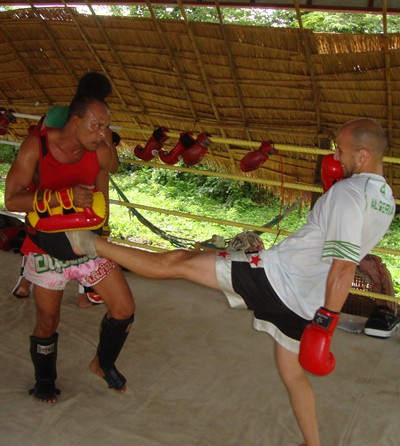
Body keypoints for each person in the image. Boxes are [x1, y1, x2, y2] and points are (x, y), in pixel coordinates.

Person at [66, 118, 395, 446]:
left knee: (178, 262)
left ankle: (89, 243)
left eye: (340, 150)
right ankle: (313, 444)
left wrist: (326, 326)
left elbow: (342, 268)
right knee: (293, 374)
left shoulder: (348, 194)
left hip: (274, 278)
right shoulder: (384, 197)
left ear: (362, 155)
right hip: (305, 302)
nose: (335, 158)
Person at [5, 85, 135, 404]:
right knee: (48, 320)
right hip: (46, 243)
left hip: (86, 241)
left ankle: (102, 364)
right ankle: (45, 380)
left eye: (106, 126)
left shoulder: (101, 151)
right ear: (74, 121)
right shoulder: (37, 146)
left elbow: (101, 203)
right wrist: (61, 198)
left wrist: (101, 242)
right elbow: (11, 198)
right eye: (97, 125)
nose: (104, 134)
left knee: (124, 309)